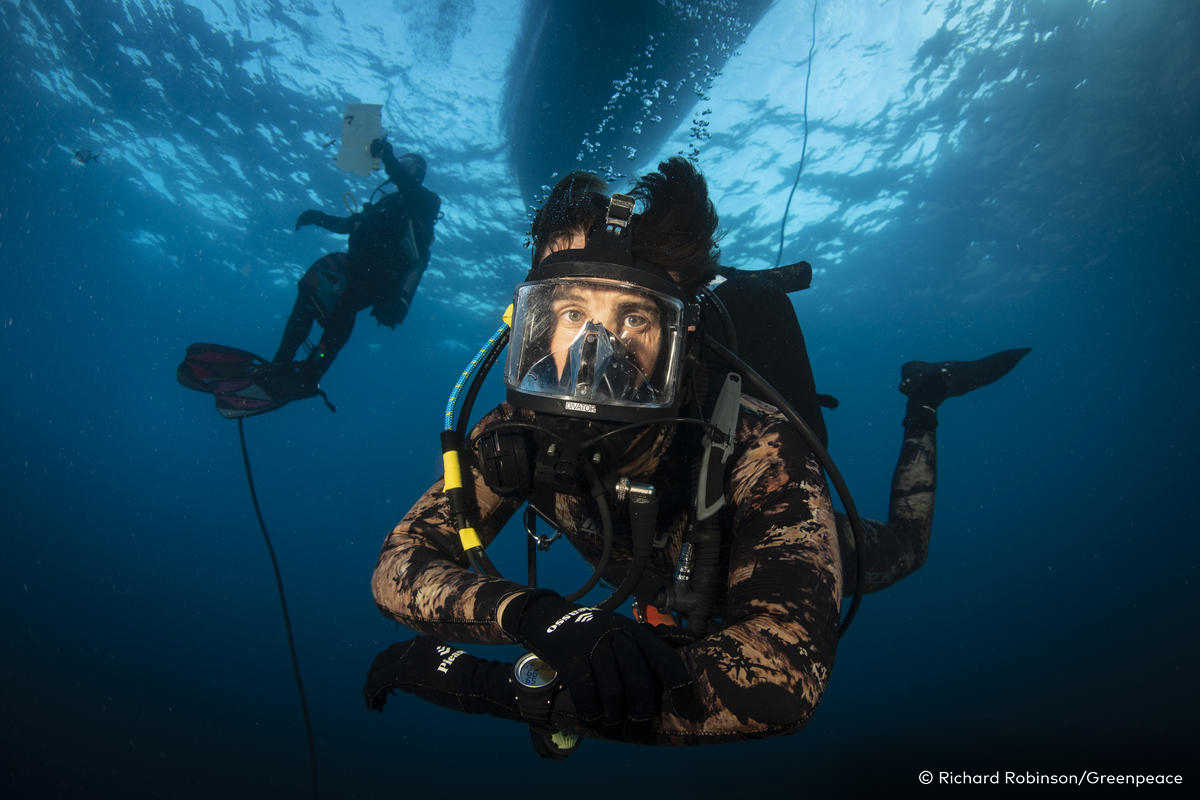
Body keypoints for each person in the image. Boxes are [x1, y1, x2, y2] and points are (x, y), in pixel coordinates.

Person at [361, 158, 1029, 749]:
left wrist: (489, 686)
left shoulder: (759, 442)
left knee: (907, 550)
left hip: (755, 547)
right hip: (654, 573)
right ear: (533, 325)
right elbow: (400, 564)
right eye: (570, 314)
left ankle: (927, 397)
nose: (596, 353)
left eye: (634, 319)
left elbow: (780, 684)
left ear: (679, 337)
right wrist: (537, 617)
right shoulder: (514, 430)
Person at [272, 138, 441, 395]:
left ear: (418, 173)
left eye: (410, 165)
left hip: (383, 276)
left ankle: (310, 373)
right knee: (310, 288)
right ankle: (281, 363)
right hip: (355, 266)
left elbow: (404, 182)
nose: (403, 168)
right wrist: (315, 217)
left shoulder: (427, 201)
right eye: (402, 163)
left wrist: (388, 157)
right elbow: (348, 225)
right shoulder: (387, 203)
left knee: (345, 307)